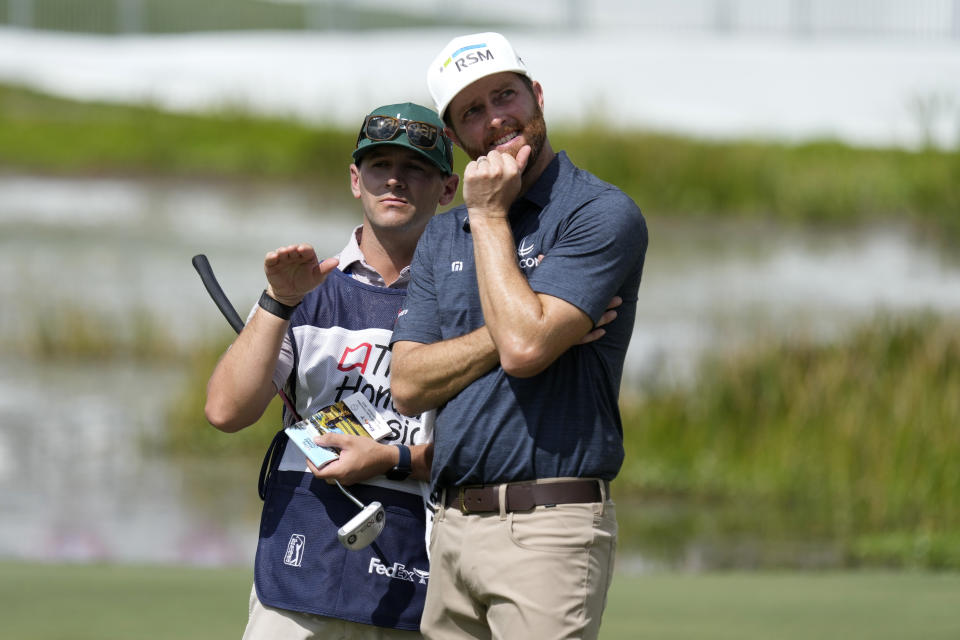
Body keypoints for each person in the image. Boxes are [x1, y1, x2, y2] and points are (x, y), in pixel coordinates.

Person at [389, 32, 648, 639]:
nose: (495, 120)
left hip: (549, 525)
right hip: (450, 531)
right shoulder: (442, 235)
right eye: (472, 112)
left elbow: (527, 350)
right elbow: (408, 384)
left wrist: (487, 215)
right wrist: (515, 326)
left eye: (504, 95)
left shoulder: (599, 212)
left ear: (536, 96)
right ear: (455, 139)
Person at [204, 102, 459, 639]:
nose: (395, 179)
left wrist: (391, 459)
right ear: (354, 178)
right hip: (300, 569)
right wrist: (278, 302)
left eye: (415, 168)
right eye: (379, 165)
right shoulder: (304, 290)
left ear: (447, 189)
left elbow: (485, 452)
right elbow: (226, 411)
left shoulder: (470, 303)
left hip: (422, 571)